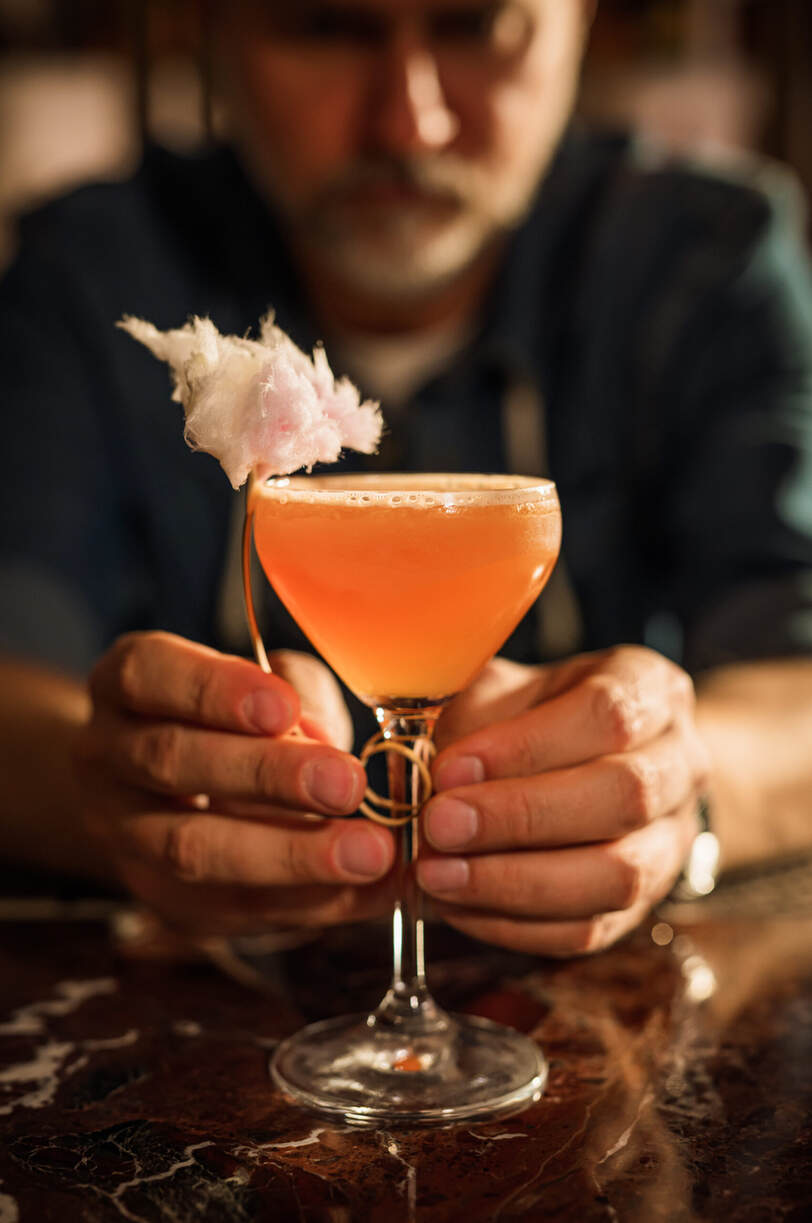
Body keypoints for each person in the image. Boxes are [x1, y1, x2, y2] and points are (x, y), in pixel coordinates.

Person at [1, 0, 811, 955]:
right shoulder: (93, 272)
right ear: (215, 34)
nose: (407, 122)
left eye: (475, 27)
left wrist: (683, 790)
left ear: (580, 24)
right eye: (326, 30)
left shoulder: (702, 255)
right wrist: (108, 789)